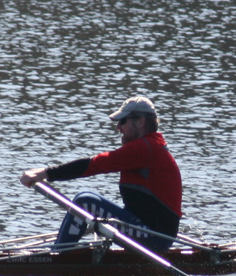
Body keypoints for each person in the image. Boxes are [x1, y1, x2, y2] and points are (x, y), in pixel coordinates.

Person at [20, 96, 183, 253]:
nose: (118, 127)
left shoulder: (145, 148)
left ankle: (57, 257)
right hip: (149, 229)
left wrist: (45, 173)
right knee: (85, 195)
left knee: (85, 202)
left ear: (140, 122)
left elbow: (95, 164)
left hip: (155, 237)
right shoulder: (150, 146)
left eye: (123, 121)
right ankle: (61, 253)